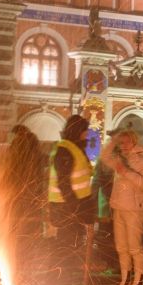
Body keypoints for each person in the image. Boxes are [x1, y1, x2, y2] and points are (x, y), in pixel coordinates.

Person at [101, 128, 143, 285]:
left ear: (133, 141)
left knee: (134, 247)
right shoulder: (121, 157)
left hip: (133, 208)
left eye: (125, 142)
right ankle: (125, 280)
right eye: (120, 142)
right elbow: (103, 157)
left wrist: (125, 172)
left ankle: (138, 282)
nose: (122, 145)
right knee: (121, 246)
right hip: (118, 206)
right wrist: (112, 141)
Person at [48, 115, 95, 274]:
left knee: (71, 244)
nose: (87, 134)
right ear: (77, 131)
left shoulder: (75, 148)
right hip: (66, 207)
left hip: (72, 206)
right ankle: (61, 281)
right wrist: (74, 205)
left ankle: (65, 277)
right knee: (65, 245)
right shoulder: (65, 149)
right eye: (84, 130)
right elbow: (64, 182)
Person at [3, 126, 46, 255]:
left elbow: (9, 176)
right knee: (29, 234)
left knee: (15, 233)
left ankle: (15, 261)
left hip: (16, 198)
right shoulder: (36, 151)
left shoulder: (16, 150)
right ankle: (28, 260)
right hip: (32, 198)